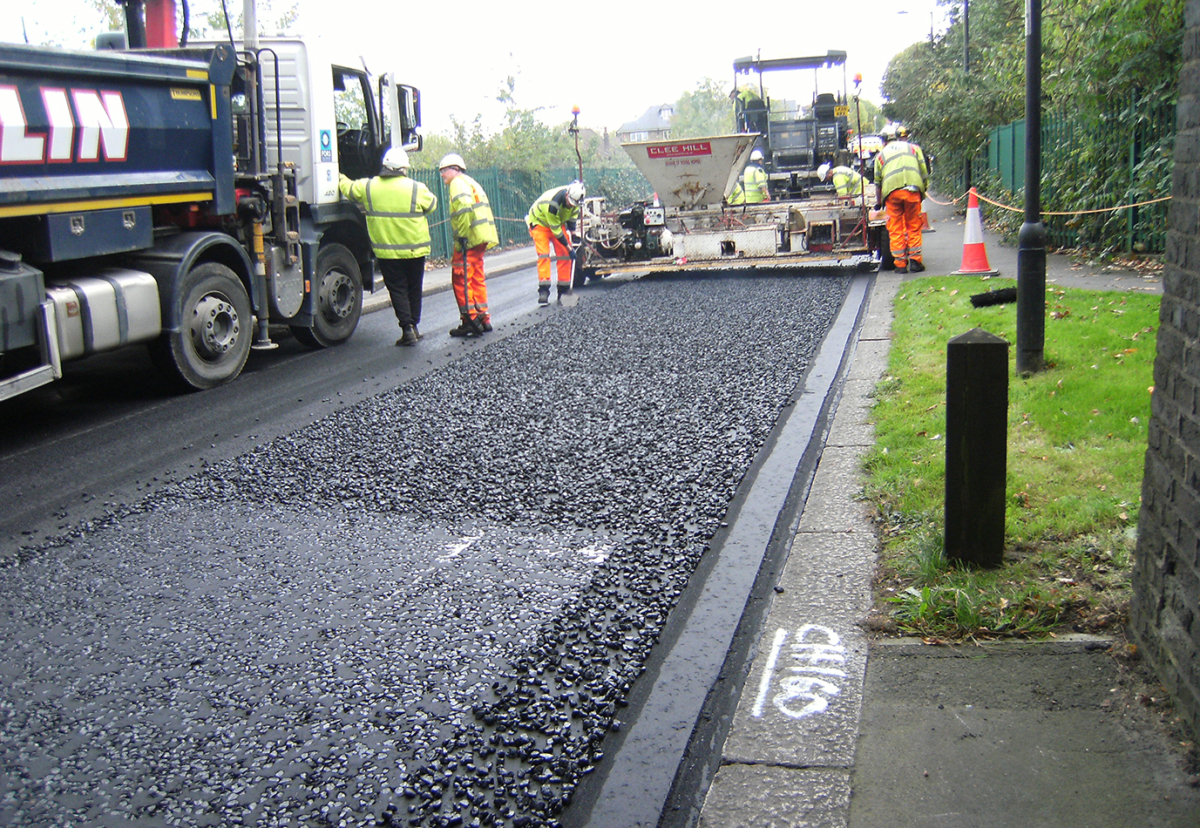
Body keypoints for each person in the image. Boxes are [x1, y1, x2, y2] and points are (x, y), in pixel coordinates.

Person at [338, 147, 437, 346]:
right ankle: (415, 327)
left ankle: (407, 329)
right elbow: (432, 205)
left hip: (388, 252)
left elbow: (347, 188)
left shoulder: (369, 187)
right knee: (414, 288)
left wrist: (338, 174)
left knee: (398, 289)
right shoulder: (416, 188)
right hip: (415, 250)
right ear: (403, 169)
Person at [438, 153, 500, 337]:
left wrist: (462, 236)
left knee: (461, 277)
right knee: (476, 276)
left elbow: (464, 207)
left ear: (454, 169)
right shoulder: (471, 182)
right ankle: (484, 317)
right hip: (481, 237)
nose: (442, 175)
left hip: (470, 238)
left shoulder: (457, 183)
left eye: (443, 170)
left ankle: (470, 319)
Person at [873, 124, 929, 273]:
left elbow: (877, 183)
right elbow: (924, 172)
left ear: (884, 140)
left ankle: (900, 265)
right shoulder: (913, 148)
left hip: (892, 193)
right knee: (913, 225)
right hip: (912, 191)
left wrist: (879, 203)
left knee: (896, 228)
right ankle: (916, 262)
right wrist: (923, 190)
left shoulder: (880, 155)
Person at [526, 181, 585, 305]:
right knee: (544, 255)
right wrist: (569, 248)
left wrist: (573, 235)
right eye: (570, 203)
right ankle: (544, 291)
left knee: (565, 255)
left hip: (557, 223)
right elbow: (557, 232)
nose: (571, 206)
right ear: (567, 195)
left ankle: (563, 291)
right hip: (539, 223)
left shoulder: (576, 201)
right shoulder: (553, 204)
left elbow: (572, 218)